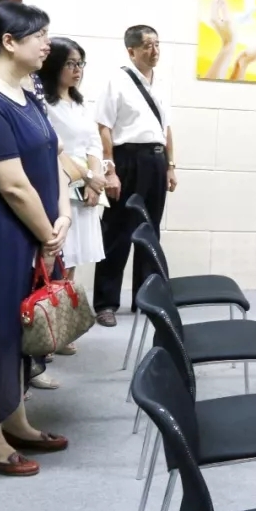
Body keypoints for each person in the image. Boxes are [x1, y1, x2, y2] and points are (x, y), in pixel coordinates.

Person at [0, 1, 71, 476]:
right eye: (39, 35)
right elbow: (11, 185)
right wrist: (48, 233)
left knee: (23, 330)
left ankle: (16, 419)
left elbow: (53, 156)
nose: (48, 44)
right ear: (9, 41)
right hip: (6, 235)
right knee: (0, 330)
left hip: (38, 232)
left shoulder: (26, 93)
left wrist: (63, 215)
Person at [93, 25, 176, 327]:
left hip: (156, 159)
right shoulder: (117, 81)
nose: (154, 51)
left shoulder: (161, 83)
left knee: (150, 231)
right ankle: (105, 302)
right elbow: (104, 127)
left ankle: (144, 297)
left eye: (157, 44)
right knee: (117, 231)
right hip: (127, 159)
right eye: (147, 46)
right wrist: (109, 170)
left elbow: (166, 128)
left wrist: (171, 165)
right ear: (131, 51)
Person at [38, 36, 107, 279]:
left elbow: (93, 143)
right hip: (62, 185)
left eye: (80, 63)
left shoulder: (80, 102)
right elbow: (54, 148)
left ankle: (67, 301)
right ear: (54, 65)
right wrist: (87, 177)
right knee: (60, 257)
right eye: (70, 64)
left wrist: (95, 179)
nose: (77, 70)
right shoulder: (44, 104)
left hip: (87, 188)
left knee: (75, 259)